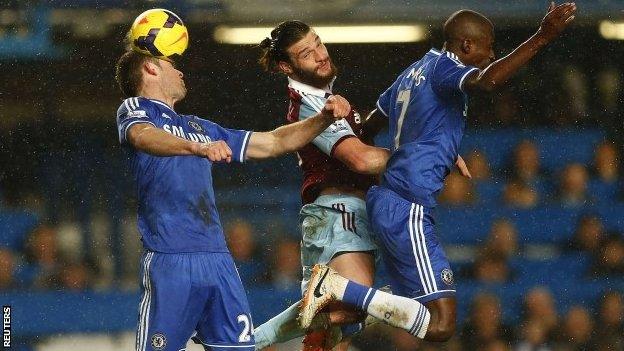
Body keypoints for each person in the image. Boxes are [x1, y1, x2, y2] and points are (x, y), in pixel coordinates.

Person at [298, 2, 577, 343]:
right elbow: (488, 82)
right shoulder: (447, 67)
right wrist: (543, 36)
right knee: (441, 325)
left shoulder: (412, 72)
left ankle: (342, 317)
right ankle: (337, 288)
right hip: (408, 206)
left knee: (402, 309)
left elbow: (369, 125)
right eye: (488, 50)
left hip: (387, 200)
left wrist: (437, 150)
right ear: (466, 46)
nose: (491, 57)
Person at [252, 21, 472, 350]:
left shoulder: (324, 98)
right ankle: (243, 341)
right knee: (348, 304)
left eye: (319, 44)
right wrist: (426, 154)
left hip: (345, 212)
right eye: (307, 53)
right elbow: (361, 160)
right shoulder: (312, 104)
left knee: (341, 315)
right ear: (287, 66)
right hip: (339, 211)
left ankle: (242, 343)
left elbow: (362, 137)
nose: (321, 55)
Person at [114, 47, 351, 351]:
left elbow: (274, 141)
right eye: (172, 65)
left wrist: (323, 118)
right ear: (150, 69)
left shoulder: (200, 127)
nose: (181, 71)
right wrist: (196, 148)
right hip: (171, 259)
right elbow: (142, 136)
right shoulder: (137, 109)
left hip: (218, 261)